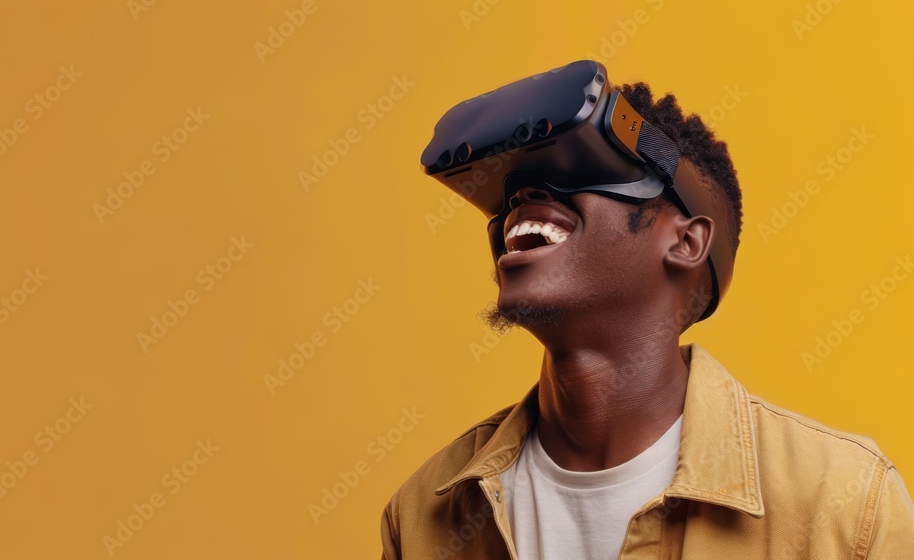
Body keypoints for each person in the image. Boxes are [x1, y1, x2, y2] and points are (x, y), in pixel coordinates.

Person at [380, 79, 914, 559]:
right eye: (509, 190)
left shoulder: (844, 507)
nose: (522, 194)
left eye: (577, 170)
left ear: (685, 242)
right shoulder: (423, 513)